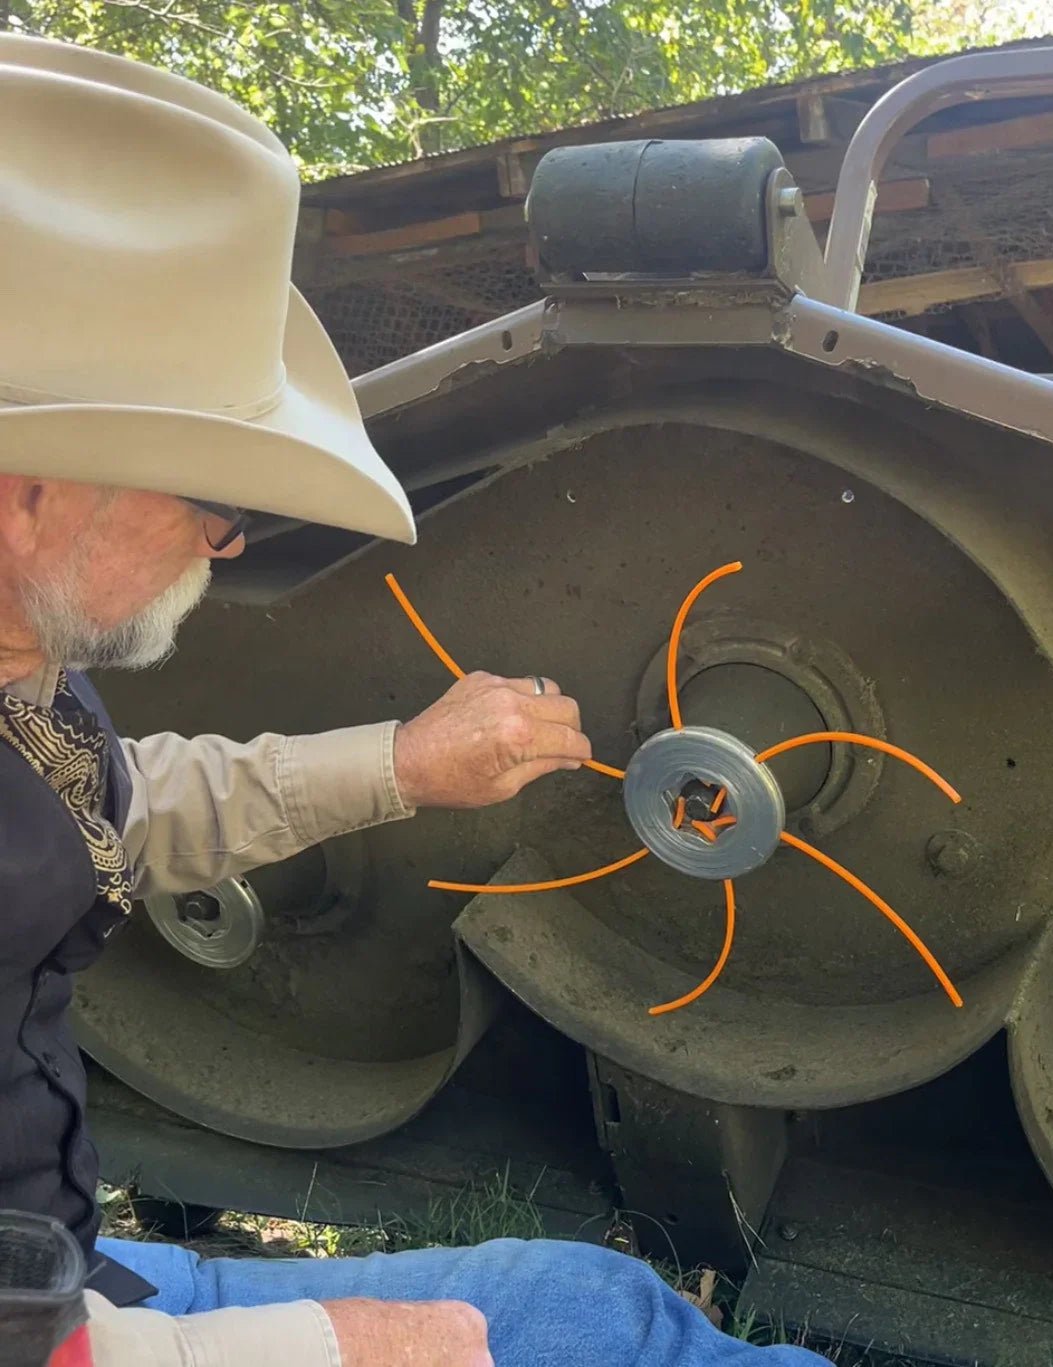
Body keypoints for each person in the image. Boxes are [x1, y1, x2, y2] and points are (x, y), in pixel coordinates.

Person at [0, 33, 828, 1367]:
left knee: (593, 1308)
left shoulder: (22, 681)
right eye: (211, 503)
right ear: (29, 492)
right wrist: (327, 1348)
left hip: (53, 1267)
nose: (224, 551)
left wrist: (404, 764)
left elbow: (115, 809)